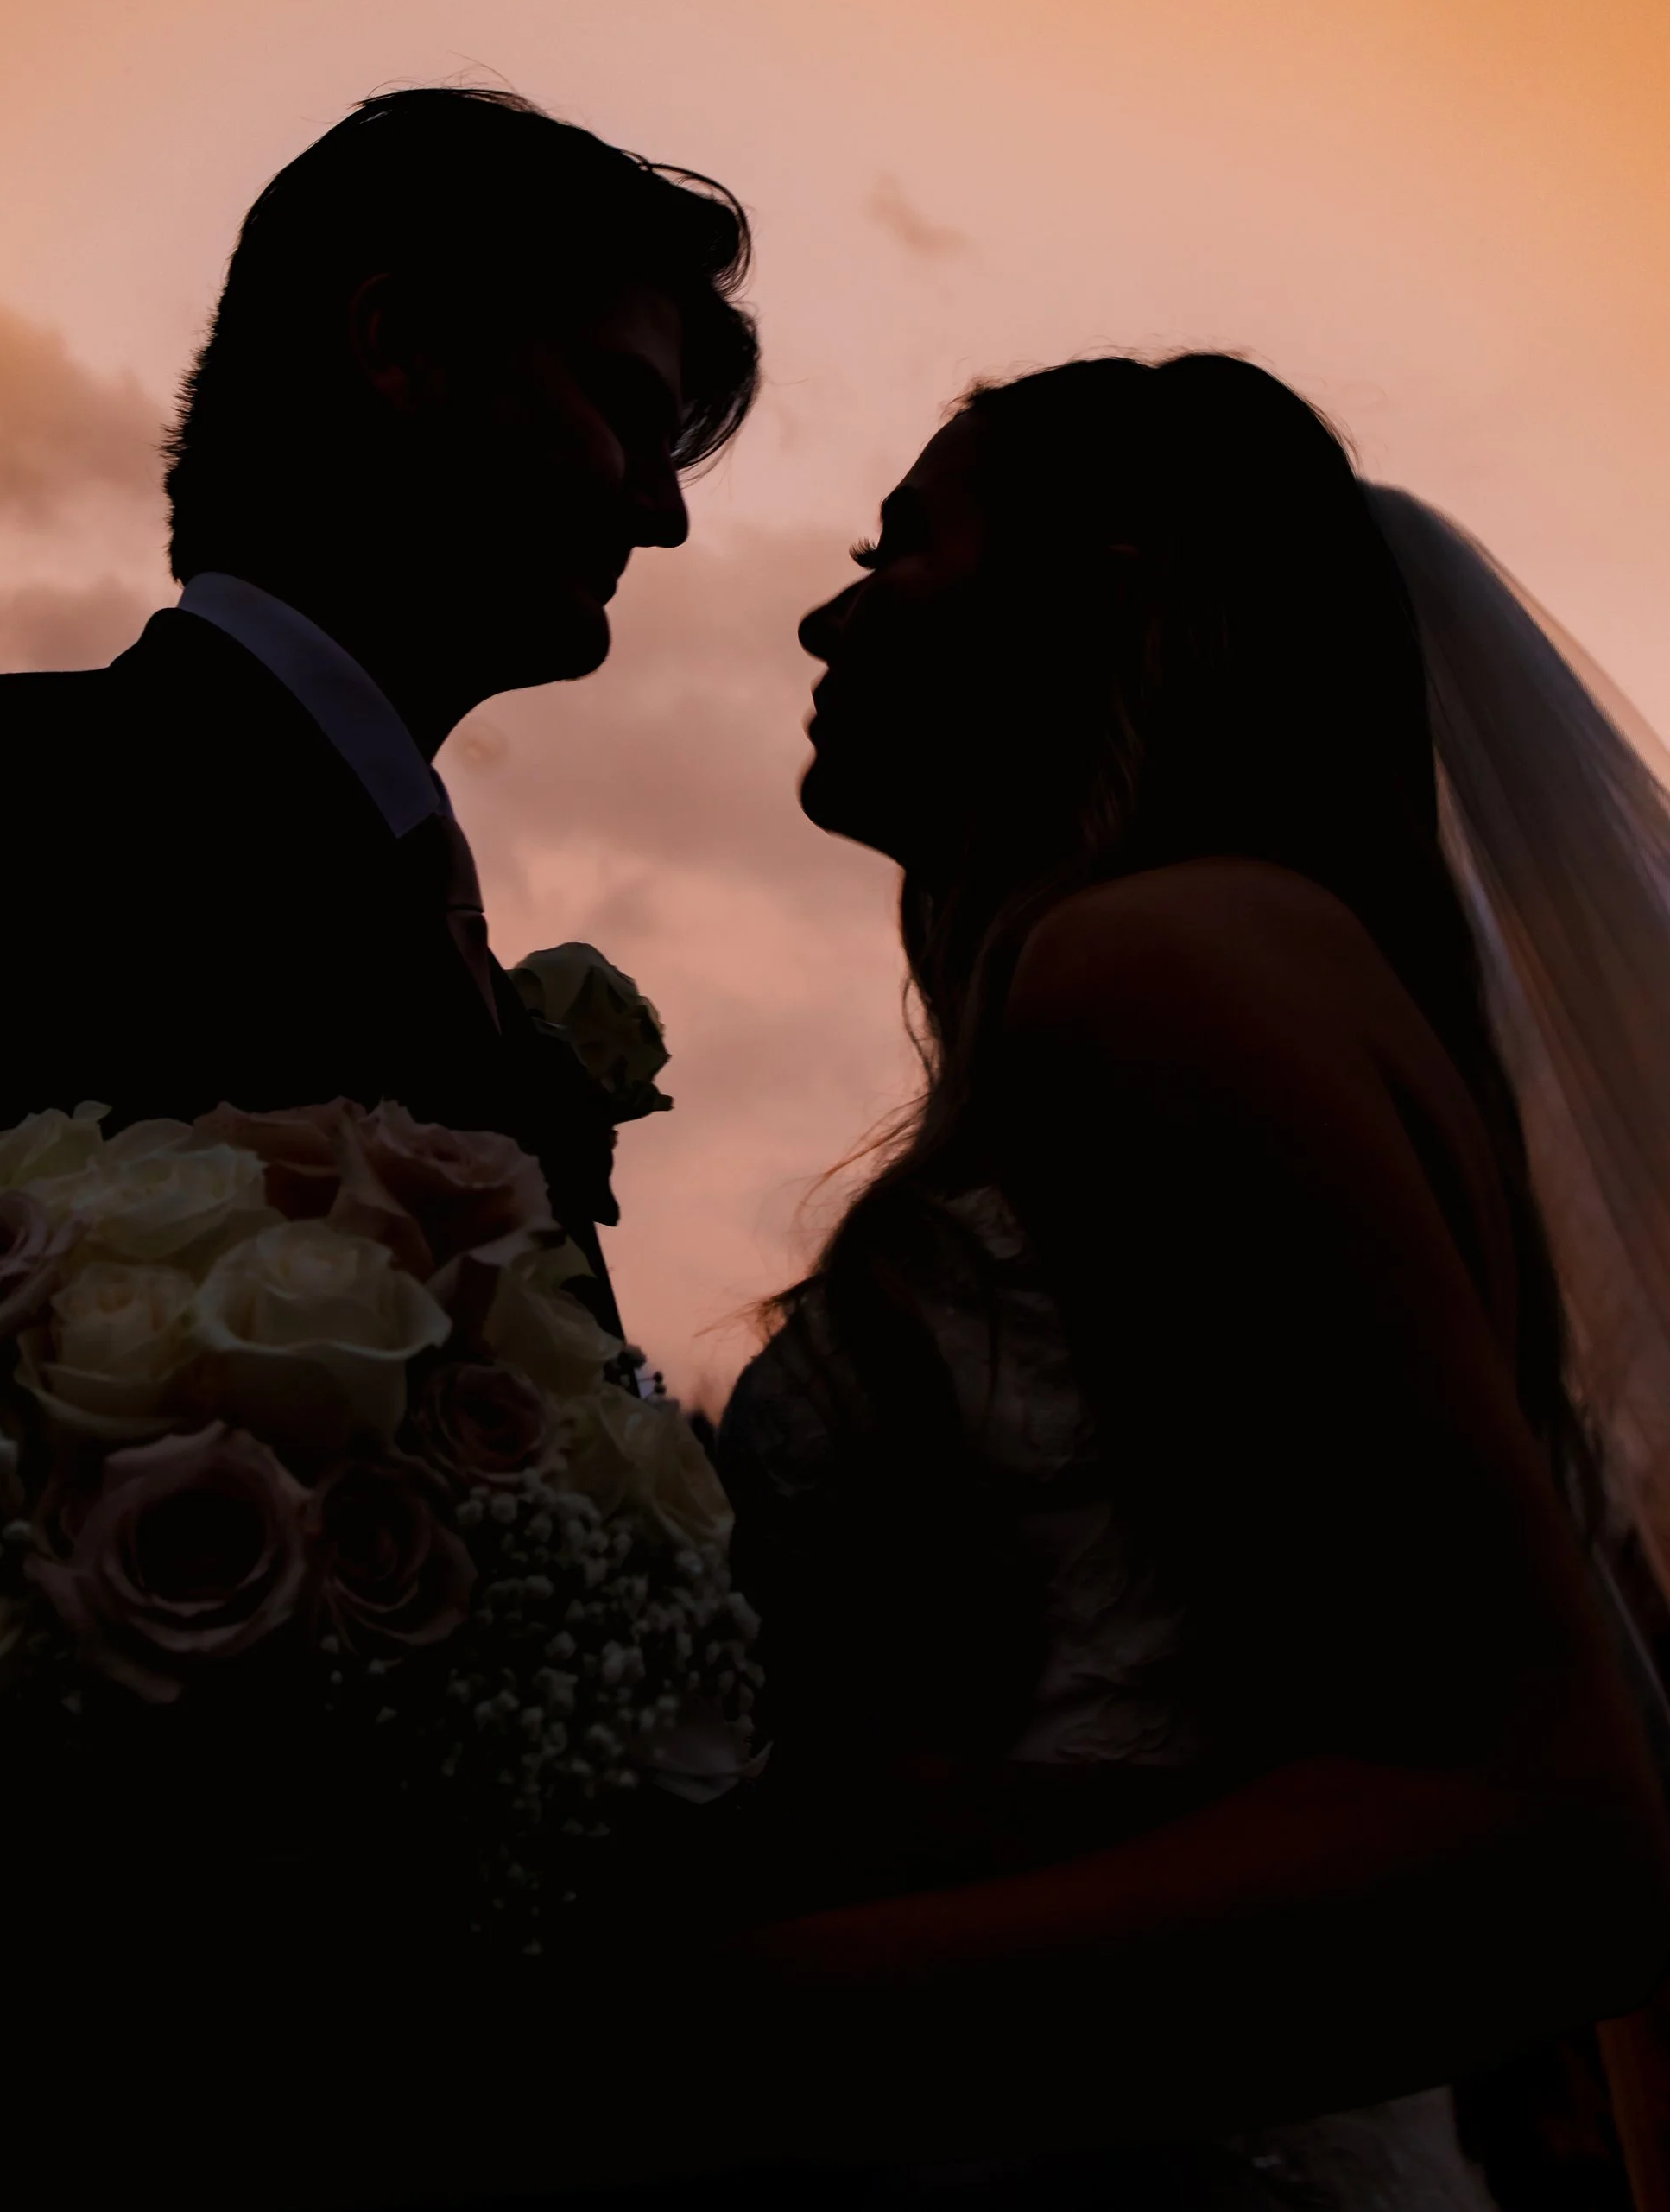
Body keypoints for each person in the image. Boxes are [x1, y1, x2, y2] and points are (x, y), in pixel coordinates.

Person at [714, 353, 1669, 2203]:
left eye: (901, 548)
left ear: (1111, 585)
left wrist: (705, 2025)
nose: (828, 609)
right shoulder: (1260, 968)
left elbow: (1544, 1841)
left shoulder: (1153, 969)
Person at [0, 87, 758, 1337]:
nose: (663, 512)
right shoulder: (6, 805)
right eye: (627, 411)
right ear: (401, 345)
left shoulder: (421, 915)